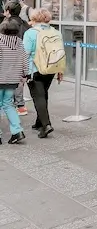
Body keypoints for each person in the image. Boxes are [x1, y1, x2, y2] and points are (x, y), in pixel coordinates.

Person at [23, 8, 62, 138]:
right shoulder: (56, 32)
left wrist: (23, 71)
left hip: (35, 69)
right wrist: (60, 70)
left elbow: (25, 53)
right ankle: (39, 122)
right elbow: (60, 52)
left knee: (38, 96)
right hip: (51, 68)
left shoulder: (30, 33)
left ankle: (46, 125)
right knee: (43, 94)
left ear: (34, 19)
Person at [0, 18, 28, 144]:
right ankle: (17, 131)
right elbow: (25, 60)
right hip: (13, 79)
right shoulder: (19, 42)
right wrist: (25, 74)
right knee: (8, 104)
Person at [5, 0, 30, 115]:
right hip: (22, 55)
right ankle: (20, 105)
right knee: (19, 80)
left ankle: (17, 104)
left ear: (8, 11)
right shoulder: (25, 24)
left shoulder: (6, 24)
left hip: (8, 55)